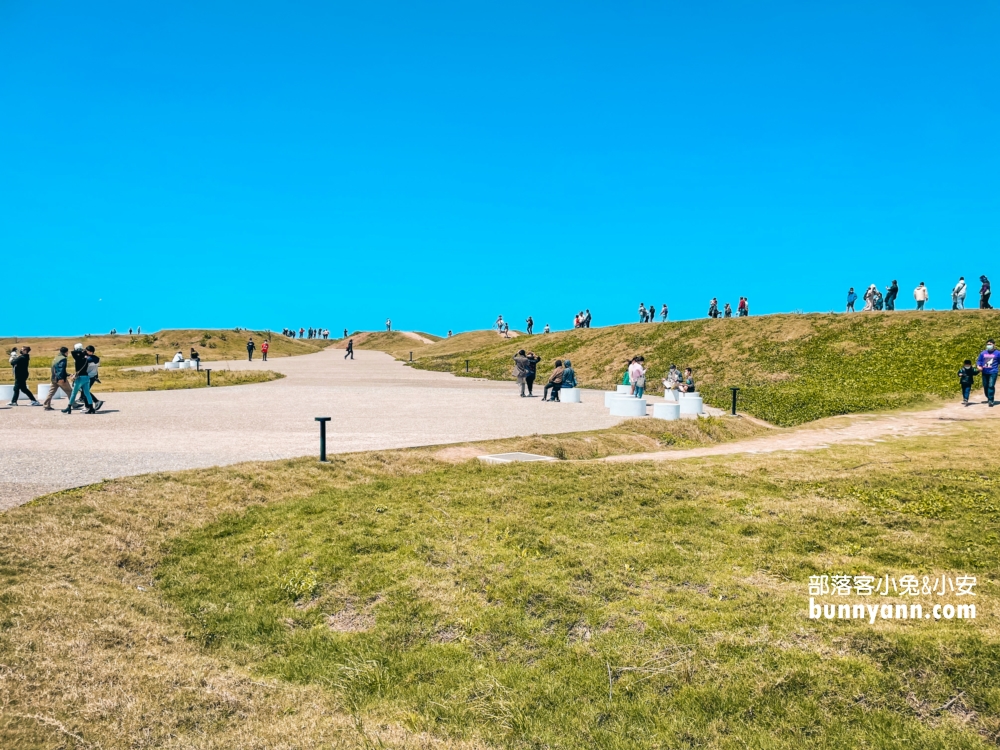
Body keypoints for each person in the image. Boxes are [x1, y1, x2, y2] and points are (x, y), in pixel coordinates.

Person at [64, 344, 95, 414]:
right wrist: (83, 351)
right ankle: (91, 408)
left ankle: (69, 407)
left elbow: (73, 352)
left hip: (80, 377)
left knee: (74, 393)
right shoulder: (86, 357)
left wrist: (79, 350)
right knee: (87, 393)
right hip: (86, 377)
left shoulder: (78, 357)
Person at [977, 339, 999, 406]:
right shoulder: (983, 353)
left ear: (994, 345)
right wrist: (979, 366)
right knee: (985, 386)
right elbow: (979, 361)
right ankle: (988, 397)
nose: (988, 346)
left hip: (993, 372)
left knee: (991, 385)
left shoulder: (998, 353)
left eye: (990, 344)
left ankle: (991, 400)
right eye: (987, 344)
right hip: (985, 372)